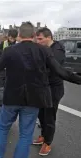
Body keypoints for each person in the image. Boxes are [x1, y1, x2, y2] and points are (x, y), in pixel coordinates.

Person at [0, 22, 81, 158]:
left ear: (19, 35)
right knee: (26, 134)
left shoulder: (9, 51)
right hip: (33, 100)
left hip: (11, 98)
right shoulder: (44, 51)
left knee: (3, 129)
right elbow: (61, 72)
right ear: (33, 35)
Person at [33, 28, 66, 156]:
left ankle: (48, 143)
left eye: (40, 39)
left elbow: (51, 69)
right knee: (41, 113)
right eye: (37, 39)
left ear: (49, 37)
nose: (38, 41)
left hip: (54, 89)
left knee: (49, 117)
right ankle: (43, 135)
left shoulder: (57, 50)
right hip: (43, 88)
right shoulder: (44, 49)